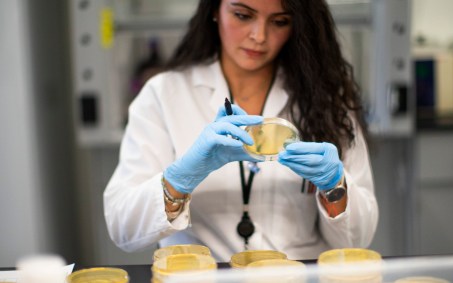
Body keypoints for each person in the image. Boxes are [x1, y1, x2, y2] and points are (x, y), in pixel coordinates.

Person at [104, 0, 378, 262]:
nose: (259, 36)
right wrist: (182, 177)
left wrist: (335, 189)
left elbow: (358, 240)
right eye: (243, 15)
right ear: (214, 9)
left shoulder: (327, 99)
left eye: (279, 21)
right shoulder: (164, 95)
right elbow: (123, 228)